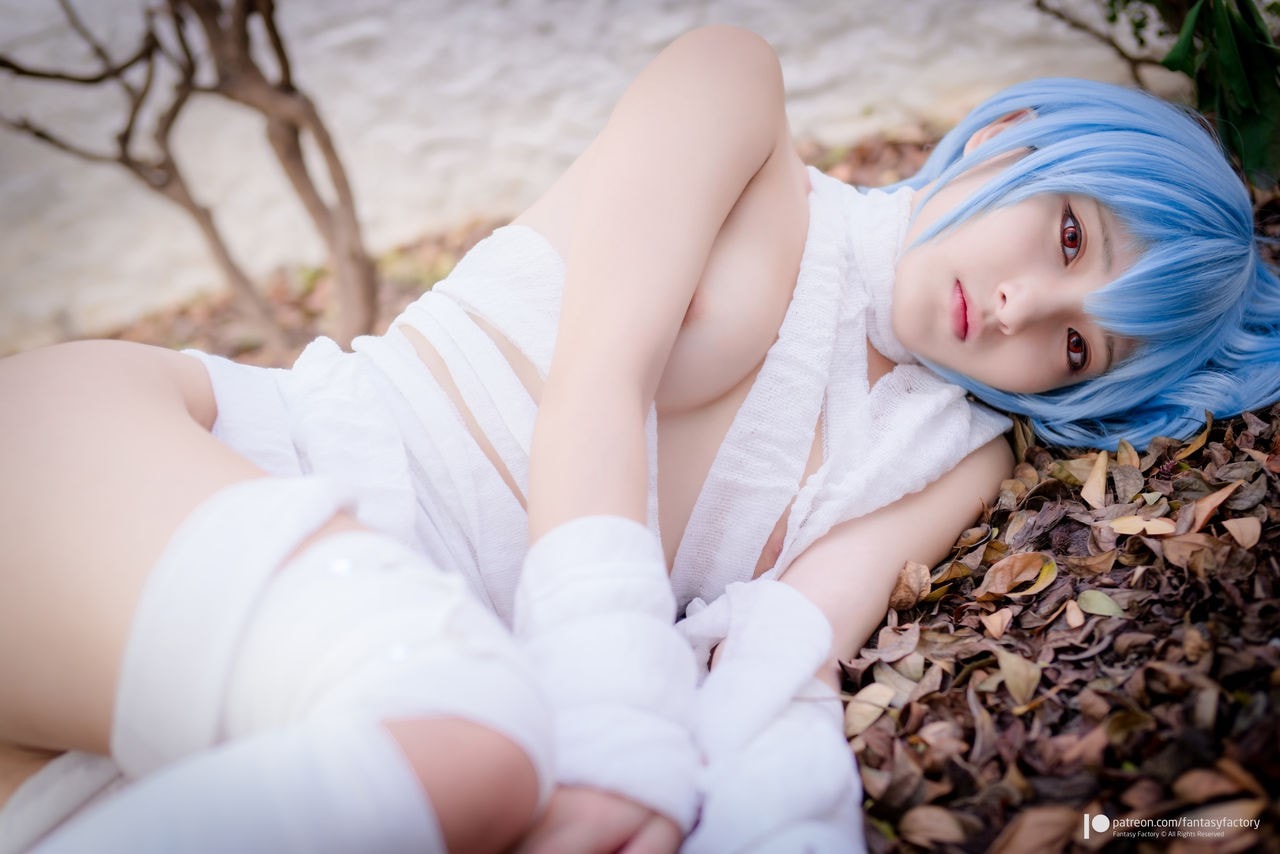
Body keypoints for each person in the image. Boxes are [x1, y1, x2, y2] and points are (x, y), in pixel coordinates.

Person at [0, 23, 1276, 854]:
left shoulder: (950, 451)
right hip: (169, 462)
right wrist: (615, 717)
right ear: (1007, 139)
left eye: (1073, 345)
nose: (1015, 306)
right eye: (1065, 237)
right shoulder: (737, 100)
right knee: (469, 736)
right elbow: (594, 383)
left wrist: (754, 816)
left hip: (280, 698)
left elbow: (779, 650)